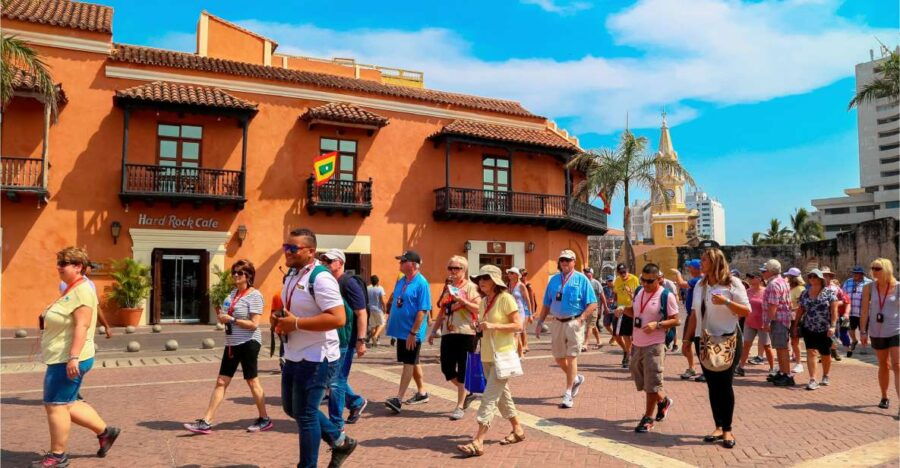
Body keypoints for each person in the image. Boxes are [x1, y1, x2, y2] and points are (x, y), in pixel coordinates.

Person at [272, 228, 356, 468]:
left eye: (293, 248)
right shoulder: (292, 274)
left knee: (306, 414)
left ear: (310, 252)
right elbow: (293, 309)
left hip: (317, 357)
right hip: (294, 353)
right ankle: (340, 441)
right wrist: (279, 320)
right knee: (292, 408)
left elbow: (338, 318)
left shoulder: (321, 278)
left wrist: (296, 323)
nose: (287, 252)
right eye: (285, 247)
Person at [34, 247, 120, 467]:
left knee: (56, 405)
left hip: (68, 358)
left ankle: (57, 456)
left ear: (78, 266)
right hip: (63, 356)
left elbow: (82, 325)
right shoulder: (72, 288)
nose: (59, 267)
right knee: (68, 403)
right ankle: (106, 433)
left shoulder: (82, 290)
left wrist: (73, 357)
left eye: (63, 263)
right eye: (58, 263)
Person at [184, 260, 271, 435]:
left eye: (239, 273)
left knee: (252, 380)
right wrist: (223, 317)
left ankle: (264, 419)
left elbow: (254, 324)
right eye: (234, 272)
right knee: (221, 381)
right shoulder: (232, 294)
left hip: (249, 342)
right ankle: (206, 422)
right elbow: (226, 313)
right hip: (232, 343)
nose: (235, 275)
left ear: (248, 276)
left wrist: (232, 320)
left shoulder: (255, 296)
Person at [456, 265, 525, 457]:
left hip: (502, 355)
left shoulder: (506, 298)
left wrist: (493, 325)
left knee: (489, 397)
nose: (481, 281)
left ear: (495, 281)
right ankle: (518, 429)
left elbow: (518, 325)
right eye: (479, 278)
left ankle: (478, 440)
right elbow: (485, 326)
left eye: (485, 278)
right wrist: (478, 326)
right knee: (502, 396)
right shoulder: (484, 301)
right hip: (487, 355)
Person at [693, 248, 750, 449]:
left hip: (728, 339)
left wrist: (726, 301)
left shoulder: (733, 283)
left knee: (725, 385)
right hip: (704, 339)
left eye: (704, 260)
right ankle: (717, 426)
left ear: (715, 262)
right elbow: (693, 314)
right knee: (712, 385)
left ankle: (727, 428)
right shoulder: (700, 285)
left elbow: (746, 311)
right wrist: (687, 340)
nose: (701, 263)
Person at [535, 250, 597, 408]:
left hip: (574, 322)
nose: (564, 263)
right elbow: (547, 303)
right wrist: (540, 322)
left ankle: (568, 394)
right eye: (562, 260)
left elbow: (593, 303)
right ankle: (576, 379)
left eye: (568, 260)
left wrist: (581, 318)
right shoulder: (554, 280)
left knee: (572, 356)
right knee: (558, 357)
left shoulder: (581, 279)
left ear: (574, 262)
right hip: (557, 322)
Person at [625, 263, 679, 433]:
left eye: (650, 281)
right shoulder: (639, 292)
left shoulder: (666, 295)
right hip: (637, 343)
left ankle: (648, 418)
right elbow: (636, 313)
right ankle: (663, 401)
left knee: (652, 381)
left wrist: (658, 324)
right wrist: (622, 310)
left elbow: (676, 320)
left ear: (659, 280)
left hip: (655, 344)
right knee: (640, 378)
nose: (646, 284)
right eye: (643, 280)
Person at [320, 249, 369, 427]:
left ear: (340, 263)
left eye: (329, 261)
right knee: (331, 378)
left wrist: (361, 341)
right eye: (324, 260)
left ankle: (336, 423)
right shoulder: (329, 282)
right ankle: (356, 402)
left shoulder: (349, 283)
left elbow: (361, 313)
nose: (325, 263)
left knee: (336, 381)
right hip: (330, 338)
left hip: (345, 340)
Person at [431, 255, 482, 420]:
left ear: (464, 270)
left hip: (466, 332)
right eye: (450, 268)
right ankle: (467, 392)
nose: (453, 271)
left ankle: (459, 406)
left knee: (463, 370)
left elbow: (478, 308)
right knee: (446, 368)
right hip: (449, 332)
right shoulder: (449, 288)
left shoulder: (471, 287)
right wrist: (434, 330)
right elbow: (442, 310)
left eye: (456, 268)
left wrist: (463, 301)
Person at [384, 251, 432, 413]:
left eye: (403, 261)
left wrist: (413, 332)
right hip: (401, 330)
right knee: (412, 361)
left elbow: (422, 310)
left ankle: (398, 399)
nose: (400, 263)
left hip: (411, 332)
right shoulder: (402, 280)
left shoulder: (422, 283)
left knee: (408, 363)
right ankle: (422, 392)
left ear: (413, 264)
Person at [860, 258, 900, 413]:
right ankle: (884, 396)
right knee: (884, 364)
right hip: (876, 331)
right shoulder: (869, 287)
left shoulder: (898, 287)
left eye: (877, 268)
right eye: (873, 268)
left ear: (886, 269)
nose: (874, 271)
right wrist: (863, 331)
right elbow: (864, 311)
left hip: (895, 330)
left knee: (897, 365)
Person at [797, 269, 838, 390]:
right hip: (809, 327)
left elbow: (834, 311)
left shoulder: (829, 293)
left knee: (825, 353)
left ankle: (825, 375)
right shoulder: (805, 293)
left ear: (820, 279)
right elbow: (801, 309)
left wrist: (833, 326)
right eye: (810, 276)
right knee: (811, 351)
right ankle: (813, 379)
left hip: (825, 328)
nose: (812, 278)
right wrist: (795, 325)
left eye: (815, 276)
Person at [762, 260, 795, 387]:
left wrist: (768, 322)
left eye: (765, 270)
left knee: (782, 348)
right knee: (781, 347)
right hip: (783, 319)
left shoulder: (773, 284)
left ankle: (787, 375)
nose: (763, 273)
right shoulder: (783, 282)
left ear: (770, 271)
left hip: (778, 320)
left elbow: (773, 305)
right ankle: (782, 372)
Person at [58, 262, 112, 339]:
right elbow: (96, 306)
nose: (91, 270)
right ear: (84, 268)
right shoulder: (88, 283)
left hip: (67, 322)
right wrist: (106, 326)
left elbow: (65, 301)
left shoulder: (63, 282)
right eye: (90, 268)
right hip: (83, 322)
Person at [736, 271, 774, 379]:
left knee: (767, 346)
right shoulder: (747, 292)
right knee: (746, 345)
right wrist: (738, 319)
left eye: (752, 277)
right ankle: (741, 367)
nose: (750, 279)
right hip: (749, 322)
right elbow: (743, 306)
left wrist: (769, 322)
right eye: (749, 277)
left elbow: (771, 307)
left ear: (759, 279)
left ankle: (772, 368)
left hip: (763, 323)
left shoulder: (766, 292)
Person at [671, 259, 704, 381]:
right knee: (686, 346)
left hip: (696, 317)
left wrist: (678, 273)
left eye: (690, 267)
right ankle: (692, 368)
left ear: (696, 268)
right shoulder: (698, 279)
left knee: (699, 345)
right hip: (691, 315)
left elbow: (682, 284)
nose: (688, 269)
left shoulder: (698, 279)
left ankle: (704, 370)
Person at [612, 263, 640, 369]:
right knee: (616, 335)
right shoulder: (617, 280)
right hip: (620, 310)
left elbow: (639, 295)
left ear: (627, 270)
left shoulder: (634, 279)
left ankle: (629, 356)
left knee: (629, 335)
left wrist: (631, 294)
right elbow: (615, 292)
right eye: (620, 272)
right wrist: (614, 303)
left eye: (624, 272)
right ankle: (626, 351)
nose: (623, 274)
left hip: (631, 310)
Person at [843, 266, 872, 357]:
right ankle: (854, 340)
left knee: (864, 330)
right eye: (854, 273)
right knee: (849, 328)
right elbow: (843, 294)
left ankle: (863, 347)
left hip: (863, 312)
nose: (854, 275)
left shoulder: (869, 283)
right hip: (850, 312)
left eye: (857, 273)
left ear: (862, 274)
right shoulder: (848, 282)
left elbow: (873, 296)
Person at [506, 267, 532, 354]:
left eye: (511, 273)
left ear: (517, 275)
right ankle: (519, 350)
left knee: (519, 330)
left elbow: (527, 299)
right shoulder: (508, 285)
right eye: (509, 273)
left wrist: (530, 314)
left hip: (520, 311)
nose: (509, 275)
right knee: (516, 331)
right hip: (511, 311)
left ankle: (520, 348)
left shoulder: (521, 286)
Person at [785, 268, 806, 375]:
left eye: (789, 276)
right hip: (788, 318)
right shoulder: (789, 288)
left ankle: (799, 363)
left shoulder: (800, 289)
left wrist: (791, 309)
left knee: (795, 341)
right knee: (789, 341)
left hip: (796, 319)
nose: (787, 278)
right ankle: (787, 363)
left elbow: (801, 306)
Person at [582, 267, 607, 351]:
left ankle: (585, 344)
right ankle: (599, 341)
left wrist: (605, 307)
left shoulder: (596, 283)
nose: (586, 274)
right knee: (593, 325)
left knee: (589, 326)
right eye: (585, 272)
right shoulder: (583, 282)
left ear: (591, 274)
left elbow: (602, 296)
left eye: (588, 272)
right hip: (585, 308)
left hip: (594, 307)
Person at [367, 275, 387, 347]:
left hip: (370, 309)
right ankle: (375, 336)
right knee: (382, 323)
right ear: (378, 281)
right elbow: (383, 300)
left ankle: (374, 341)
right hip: (378, 309)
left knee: (373, 325)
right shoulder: (380, 288)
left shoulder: (368, 288)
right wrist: (385, 309)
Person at [520, 268, 541, 333]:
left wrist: (532, 313)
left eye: (525, 274)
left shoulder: (528, 286)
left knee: (522, 329)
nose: (524, 276)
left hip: (526, 310)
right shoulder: (518, 285)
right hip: (520, 309)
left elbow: (532, 300)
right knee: (521, 330)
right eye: (523, 275)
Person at [601, 276, 617, 341]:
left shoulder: (616, 288)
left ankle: (615, 338)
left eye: (611, 281)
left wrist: (614, 300)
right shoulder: (604, 289)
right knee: (606, 324)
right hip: (607, 309)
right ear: (606, 281)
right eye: (608, 281)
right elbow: (602, 298)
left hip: (615, 309)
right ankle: (614, 335)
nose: (610, 282)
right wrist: (606, 301)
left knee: (615, 325)